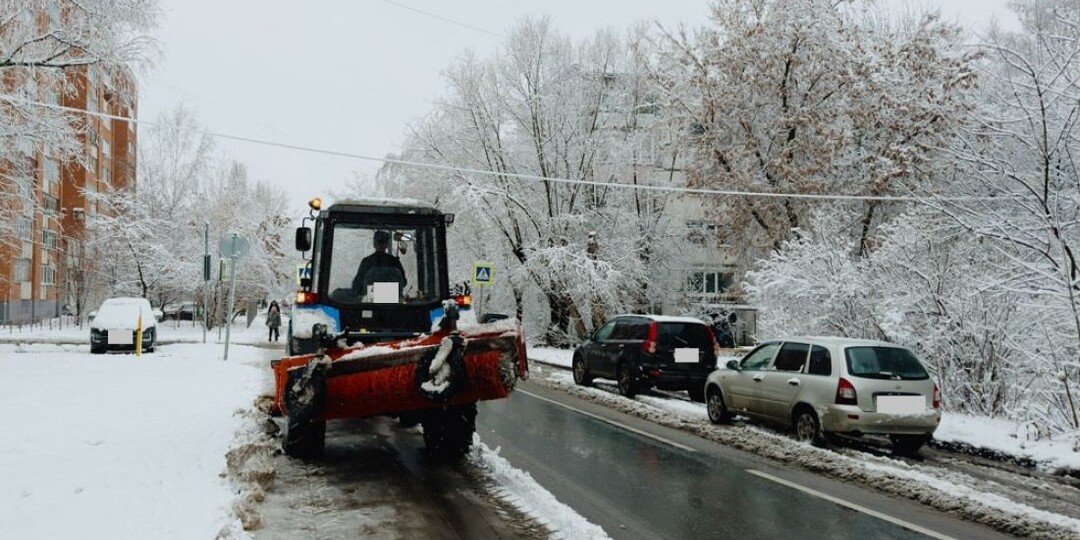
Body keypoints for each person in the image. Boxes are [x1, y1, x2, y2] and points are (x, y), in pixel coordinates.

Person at [352, 230, 407, 299]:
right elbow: (403, 282)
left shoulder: (366, 261)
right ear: (387, 245)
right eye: (380, 242)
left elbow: (357, 284)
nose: (381, 245)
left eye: (382, 242)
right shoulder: (394, 262)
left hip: (370, 302)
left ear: (374, 244)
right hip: (392, 301)